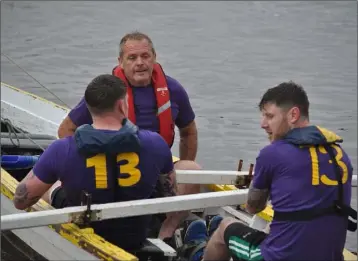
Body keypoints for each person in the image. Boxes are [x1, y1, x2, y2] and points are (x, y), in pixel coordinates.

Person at [178, 81, 356, 261]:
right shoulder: (339, 154)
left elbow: (254, 207)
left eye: (269, 116)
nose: (263, 124)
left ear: (293, 114)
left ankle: (200, 255)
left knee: (225, 226)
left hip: (279, 257)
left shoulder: (272, 154)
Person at [13, 74, 189, 252]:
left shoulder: (62, 149)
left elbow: (20, 202)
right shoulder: (156, 143)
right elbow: (170, 196)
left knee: (54, 186)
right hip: (135, 236)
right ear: (122, 105)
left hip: (86, 228)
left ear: (89, 108)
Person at [57, 31, 201, 196]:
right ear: (121, 62)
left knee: (192, 169)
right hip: (115, 171)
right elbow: (66, 130)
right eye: (132, 58)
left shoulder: (173, 89)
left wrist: (180, 165)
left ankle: (177, 220)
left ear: (154, 57)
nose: (140, 63)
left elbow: (189, 131)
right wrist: (85, 167)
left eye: (145, 56)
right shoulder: (106, 91)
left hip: (157, 168)